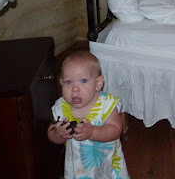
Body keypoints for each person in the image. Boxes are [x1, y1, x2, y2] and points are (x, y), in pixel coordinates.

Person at [47, 51, 129, 179]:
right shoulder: (61, 107)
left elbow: (115, 130)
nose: (75, 88)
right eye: (68, 82)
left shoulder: (106, 104)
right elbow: (51, 134)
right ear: (61, 83)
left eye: (83, 81)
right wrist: (58, 134)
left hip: (106, 164)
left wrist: (92, 132)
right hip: (77, 166)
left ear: (98, 84)